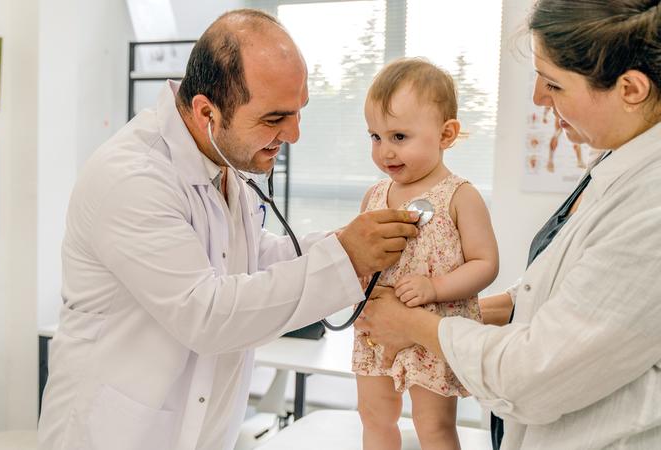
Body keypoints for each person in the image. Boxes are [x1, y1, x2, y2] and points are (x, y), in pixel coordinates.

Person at [37, 9, 419, 450]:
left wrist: (350, 243)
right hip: (114, 434)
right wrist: (347, 256)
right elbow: (208, 314)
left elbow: (248, 258)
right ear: (207, 113)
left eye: (298, 112)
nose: (293, 134)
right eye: (274, 119)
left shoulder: (222, 158)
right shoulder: (133, 178)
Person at [355, 1, 661, 448]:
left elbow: (534, 372)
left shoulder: (650, 205)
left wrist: (414, 323)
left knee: (432, 424)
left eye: (553, 82)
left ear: (630, 89)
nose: (538, 97)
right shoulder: (616, 164)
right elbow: (561, 293)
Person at [352, 58, 499, 450]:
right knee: (372, 413)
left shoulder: (459, 196)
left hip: (433, 327)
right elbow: (358, 254)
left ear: (446, 134)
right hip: (377, 328)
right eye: (375, 136)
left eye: (399, 136)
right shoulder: (374, 195)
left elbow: (486, 264)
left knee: (431, 425)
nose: (385, 151)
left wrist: (434, 287)